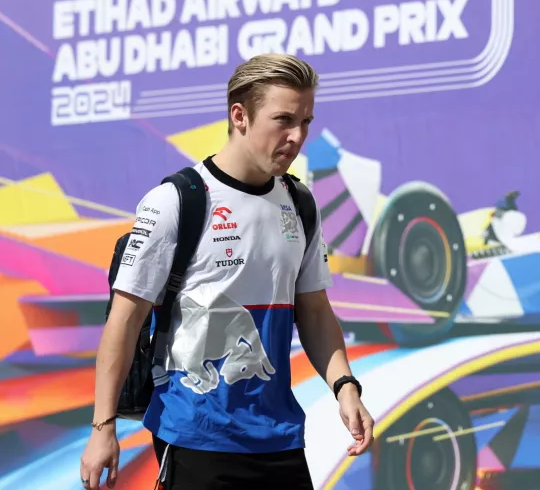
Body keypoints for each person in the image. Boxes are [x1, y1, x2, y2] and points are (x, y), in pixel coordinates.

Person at [79, 53, 374, 489]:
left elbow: (313, 310)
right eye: (284, 120)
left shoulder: (301, 203)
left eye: (306, 122)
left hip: (281, 441)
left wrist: (345, 385)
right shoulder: (176, 201)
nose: (297, 137)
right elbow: (124, 320)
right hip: (196, 439)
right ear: (240, 115)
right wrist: (102, 428)